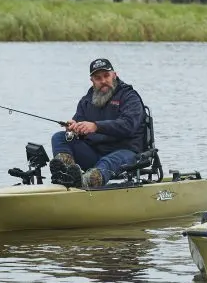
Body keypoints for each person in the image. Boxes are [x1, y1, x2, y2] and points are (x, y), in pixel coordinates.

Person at [48, 58, 147, 188]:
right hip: (94, 153)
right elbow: (79, 123)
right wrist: (73, 127)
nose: (103, 81)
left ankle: (84, 182)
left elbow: (128, 125)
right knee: (59, 137)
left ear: (114, 75)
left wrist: (96, 126)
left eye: (106, 76)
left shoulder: (129, 97)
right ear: (92, 81)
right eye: (98, 78)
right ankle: (66, 175)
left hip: (126, 151)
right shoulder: (86, 101)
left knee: (107, 162)